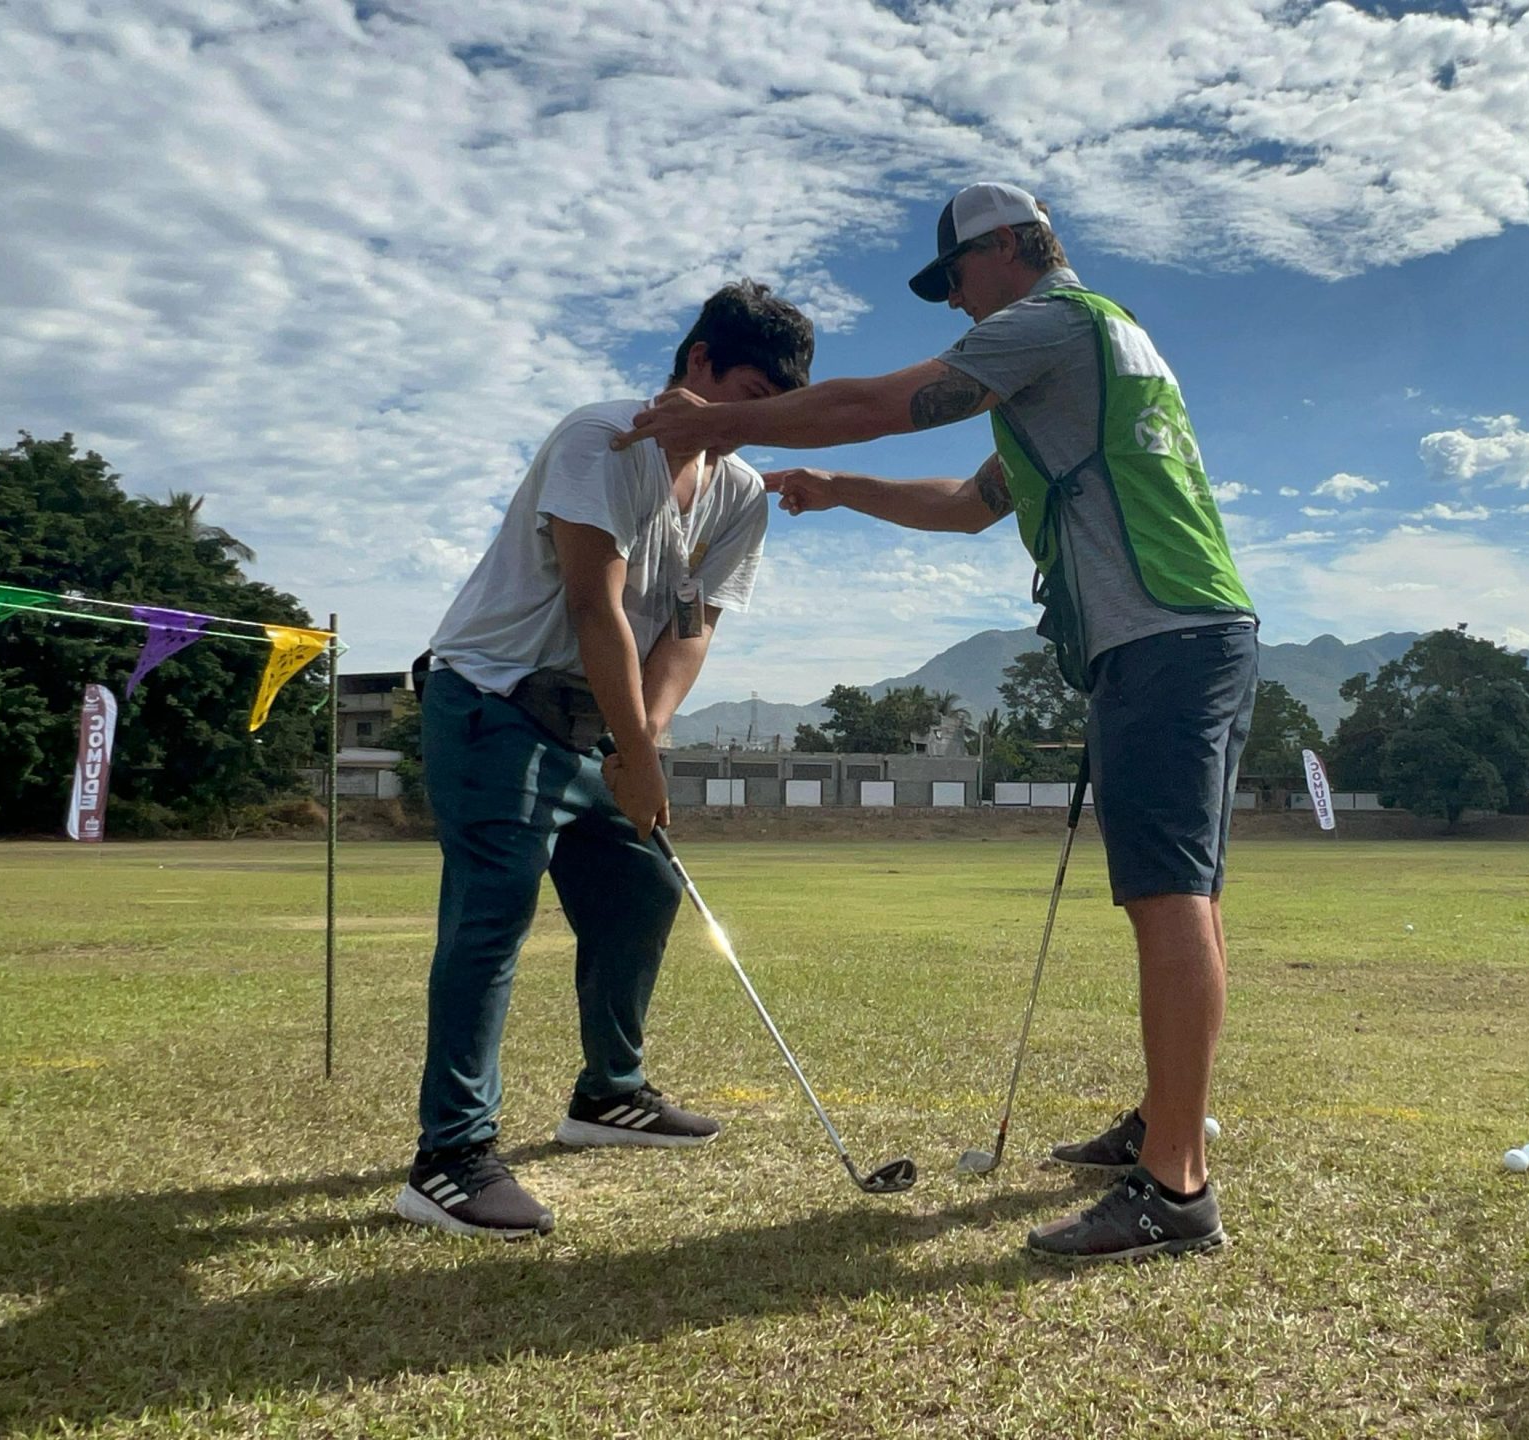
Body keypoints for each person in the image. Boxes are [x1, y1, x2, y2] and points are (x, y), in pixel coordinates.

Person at [615, 183, 1256, 1263]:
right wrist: (838, 487)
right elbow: (970, 503)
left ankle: (1176, 1190)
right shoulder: (1096, 352)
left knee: (1167, 898)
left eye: (956, 279)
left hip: (1159, 634)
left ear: (1008, 249)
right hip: (1185, 630)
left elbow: (892, 397)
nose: (957, 307)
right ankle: (1169, 1122)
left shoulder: (1050, 322)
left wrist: (717, 423)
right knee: (1185, 894)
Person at [396, 280, 814, 1239]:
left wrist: (643, 744)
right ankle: (449, 1159)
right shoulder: (601, 440)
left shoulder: (740, 492)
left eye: (770, 406)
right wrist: (638, 751)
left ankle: (607, 1095)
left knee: (641, 889)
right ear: (698, 361)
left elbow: (692, 624)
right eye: (742, 389)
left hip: (597, 724)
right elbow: (596, 607)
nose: (750, 422)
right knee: (494, 913)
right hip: (493, 702)